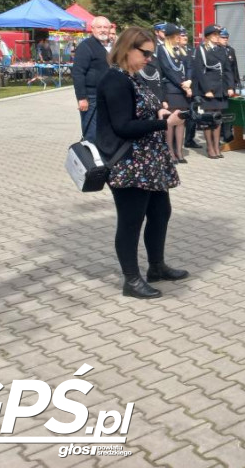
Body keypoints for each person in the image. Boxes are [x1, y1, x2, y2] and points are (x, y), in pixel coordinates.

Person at [95, 27, 187, 299]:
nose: (149, 58)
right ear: (127, 49)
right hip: (128, 163)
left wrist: (159, 111)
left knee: (160, 212)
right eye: (145, 52)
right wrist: (164, 122)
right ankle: (131, 279)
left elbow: (138, 111)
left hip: (148, 162)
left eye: (151, 53)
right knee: (131, 221)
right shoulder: (115, 80)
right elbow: (123, 126)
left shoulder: (132, 78)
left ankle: (156, 267)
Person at [191, 25, 229, 159]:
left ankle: (216, 146)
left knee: (218, 119)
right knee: (208, 120)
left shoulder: (221, 49)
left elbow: (227, 69)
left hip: (220, 89)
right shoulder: (201, 49)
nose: (217, 36)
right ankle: (210, 147)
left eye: (218, 34)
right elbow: (199, 72)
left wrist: (230, 87)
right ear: (207, 36)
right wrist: (206, 90)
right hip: (208, 89)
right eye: (214, 34)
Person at [73, 16, 111, 141]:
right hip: (92, 96)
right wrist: (82, 98)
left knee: (106, 129)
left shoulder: (112, 46)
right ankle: (89, 157)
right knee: (92, 132)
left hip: (108, 95)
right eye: (99, 27)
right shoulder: (86, 46)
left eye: (105, 27)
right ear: (92, 29)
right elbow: (78, 73)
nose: (103, 30)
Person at [157, 24, 192, 163]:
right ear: (171, 37)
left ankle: (179, 151)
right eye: (177, 36)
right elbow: (167, 70)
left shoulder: (182, 50)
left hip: (184, 89)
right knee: (171, 121)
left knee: (181, 121)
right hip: (171, 89)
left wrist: (189, 81)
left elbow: (189, 66)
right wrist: (183, 85)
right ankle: (170, 152)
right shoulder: (162, 49)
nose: (180, 38)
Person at [216, 28, 240, 143]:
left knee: (229, 109)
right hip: (219, 85)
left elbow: (234, 68)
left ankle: (227, 133)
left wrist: (237, 82)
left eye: (226, 37)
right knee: (219, 111)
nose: (225, 40)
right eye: (223, 37)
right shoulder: (215, 50)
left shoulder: (231, 50)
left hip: (230, 85)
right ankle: (220, 134)